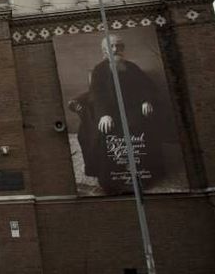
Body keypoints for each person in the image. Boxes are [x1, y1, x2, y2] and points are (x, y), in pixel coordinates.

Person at [70, 34, 163, 194]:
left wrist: (146, 101)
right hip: (109, 111)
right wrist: (104, 115)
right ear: (105, 51)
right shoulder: (99, 70)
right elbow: (96, 95)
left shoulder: (132, 67)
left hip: (131, 109)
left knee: (136, 127)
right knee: (106, 131)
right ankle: (111, 179)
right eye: (111, 47)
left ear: (123, 49)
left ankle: (141, 175)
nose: (116, 50)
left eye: (119, 46)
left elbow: (147, 87)